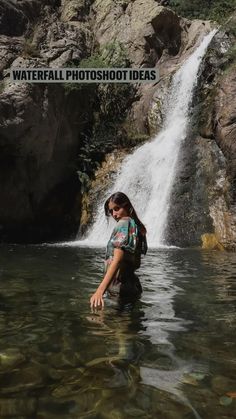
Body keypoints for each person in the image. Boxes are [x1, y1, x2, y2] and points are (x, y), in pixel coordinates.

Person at [90, 192, 147, 309]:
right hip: (131, 286)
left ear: (127, 207)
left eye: (117, 209)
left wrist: (100, 290)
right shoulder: (135, 226)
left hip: (120, 288)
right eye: (111, 211)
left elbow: (117, 260)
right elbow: (135, 262)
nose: (114, 214)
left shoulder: (123, 224)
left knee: (111, 324)